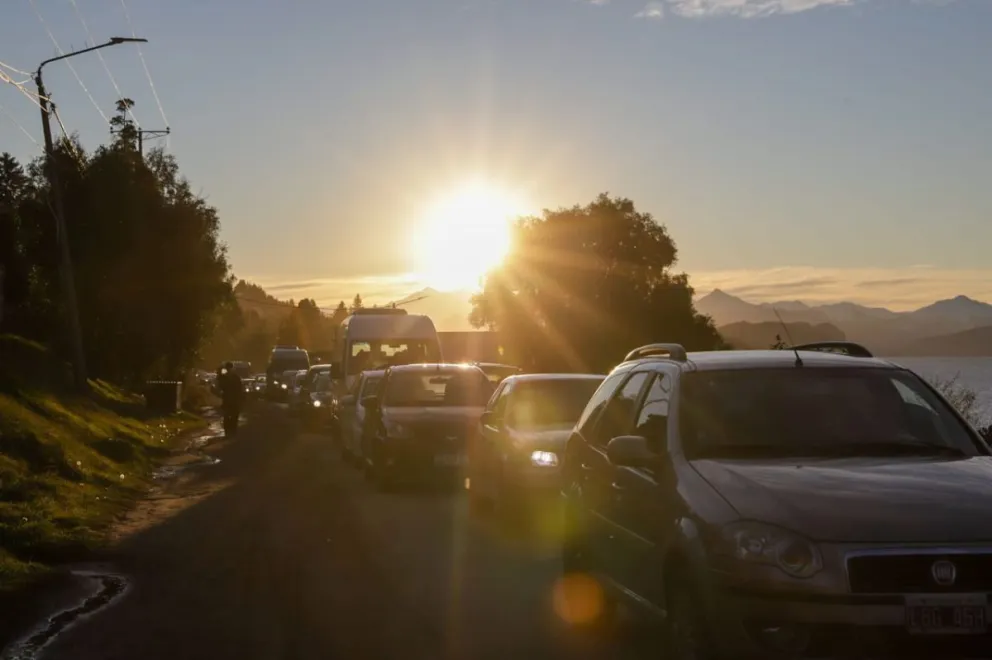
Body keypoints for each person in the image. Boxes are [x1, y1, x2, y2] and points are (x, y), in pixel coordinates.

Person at [218, 361, 245, 436]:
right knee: (230, 416)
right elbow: (239, 389)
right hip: (230, 400)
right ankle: (230, 431)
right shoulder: (229, 377)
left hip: (231, 399)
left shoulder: (232, 377)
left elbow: (239, 389)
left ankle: (230, 431)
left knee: (232, 416)